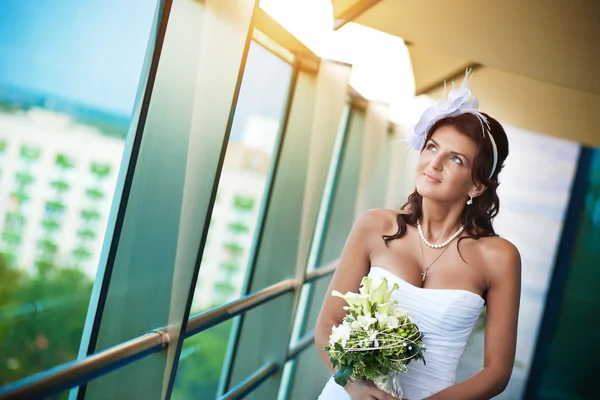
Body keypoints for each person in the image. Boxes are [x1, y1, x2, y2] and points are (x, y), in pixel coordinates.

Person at [315, 70, 521, 400]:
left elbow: (496, 371)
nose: (433, 164)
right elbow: (328, 324)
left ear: (477, 184)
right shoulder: (374, 226)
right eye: (431, 147)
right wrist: (354, 385)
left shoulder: (499, 258)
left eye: (455, 159)